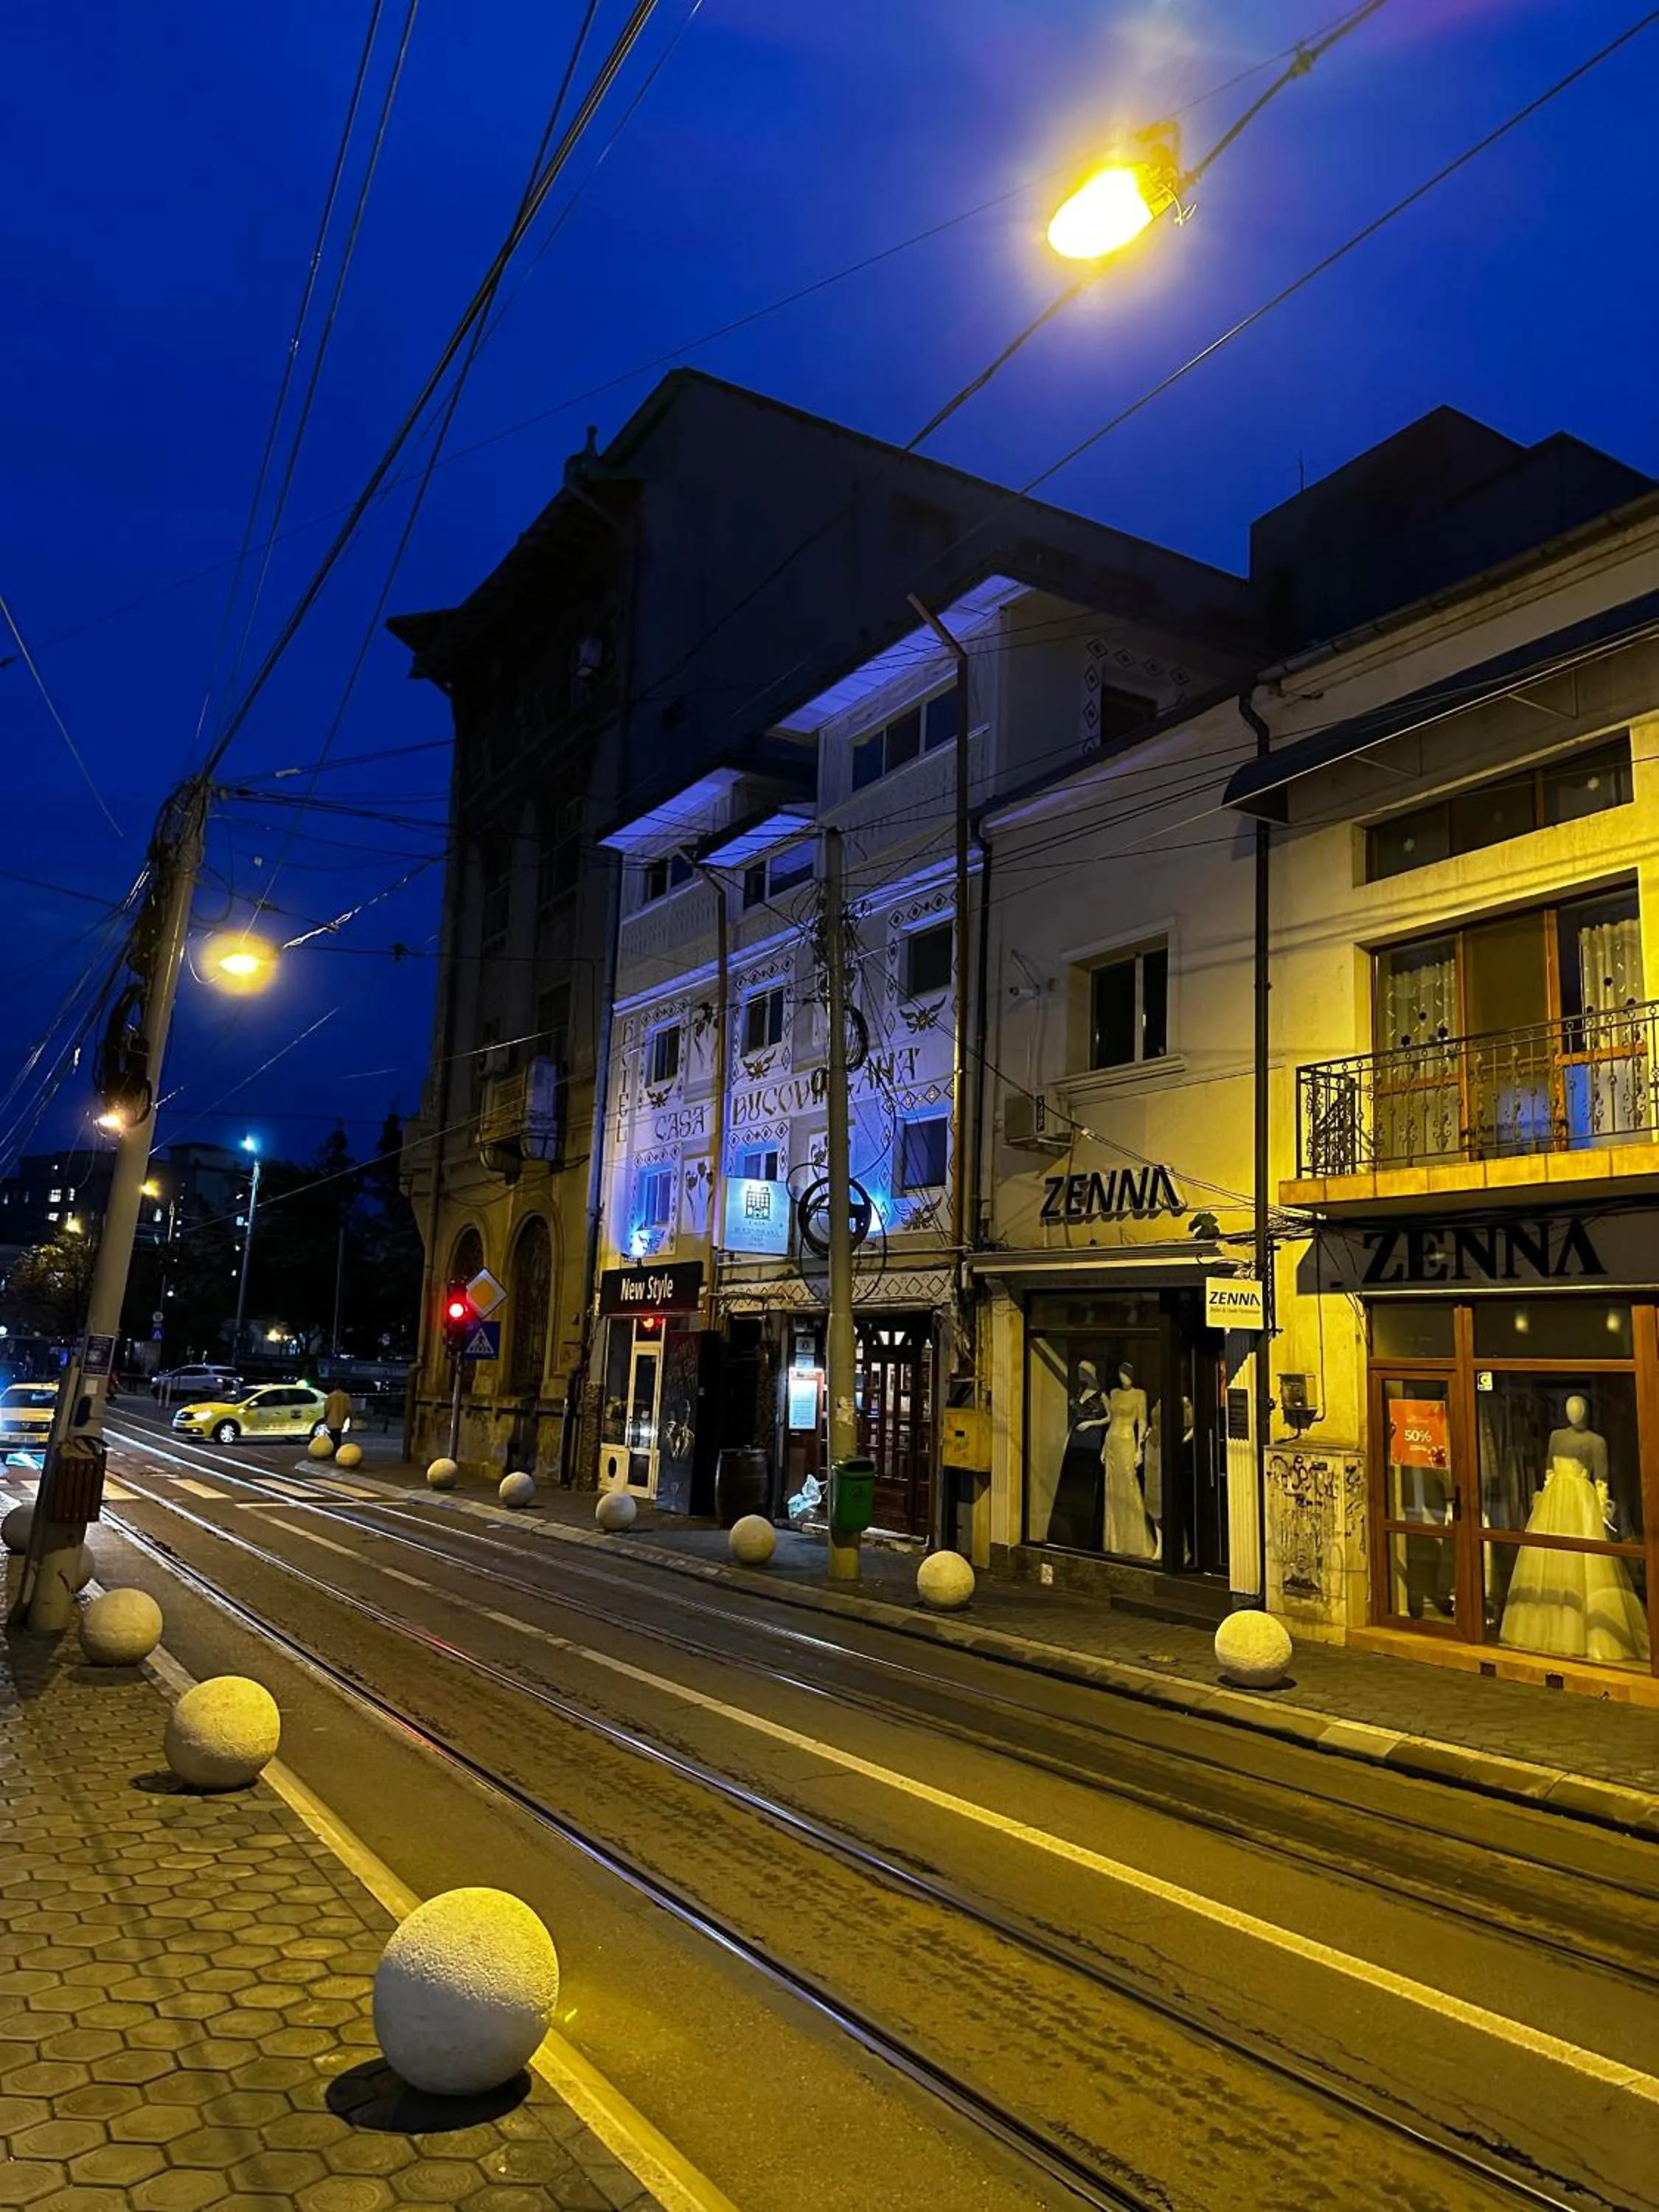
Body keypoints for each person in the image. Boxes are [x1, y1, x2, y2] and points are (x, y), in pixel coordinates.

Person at [322, 1384, 352, 1450]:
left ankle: (332, 1450)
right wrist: (346, 1416)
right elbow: (348, 1409)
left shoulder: (331, 1396)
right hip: (340, 1419)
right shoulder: (345, 1396)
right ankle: (337, 1450)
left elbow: (327, 1408)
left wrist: (326, 1417)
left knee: (332, 1436)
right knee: (338, 1436)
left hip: (331, 1419)